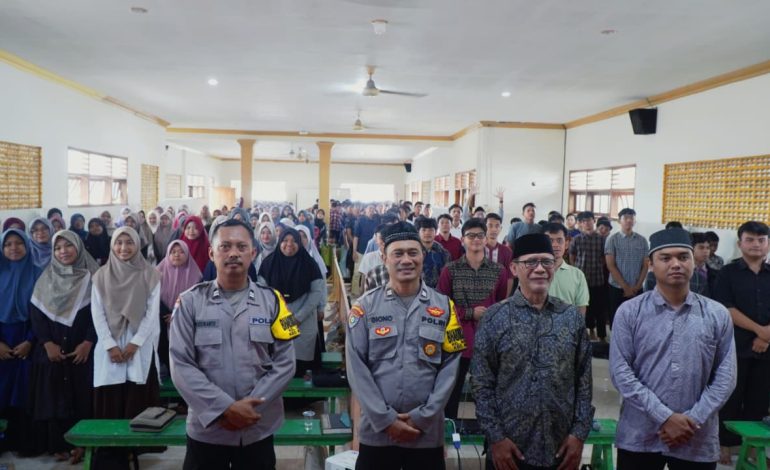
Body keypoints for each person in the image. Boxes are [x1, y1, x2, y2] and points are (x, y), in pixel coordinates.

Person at [170, 219, 299, 470]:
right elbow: (180, 364)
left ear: (253, 252)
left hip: (257, 426)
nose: (233, 253)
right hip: (208, 429)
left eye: (241, 247)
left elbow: (285, 363)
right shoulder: (188, 303)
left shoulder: (275, 301)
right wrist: (224, 409)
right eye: (225, 246)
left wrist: (249, 407)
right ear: (211, 253)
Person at [611, 228, 736, 469]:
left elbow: (726, 377)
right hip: (641, 435)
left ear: (693, 262)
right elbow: (620, 372)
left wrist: (692, 419)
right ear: (650, 264)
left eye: (683, 257)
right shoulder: (630, 312)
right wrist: (665, 417)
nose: (676, 264)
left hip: (696, 436)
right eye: (666, 258)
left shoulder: (716, 314)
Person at [345, 222, 465, 470]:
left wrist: (423, 417)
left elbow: (451, 368)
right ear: (384, 258)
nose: (406, 260)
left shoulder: (445, 307)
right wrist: (385, 420)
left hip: (426, 434)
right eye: (398, 253)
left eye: (413, 252)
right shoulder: (364, 308)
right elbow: (356, 368)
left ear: (423, 256)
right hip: (377, 433)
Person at [472, 233, 593, 470]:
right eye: (531, 262)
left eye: (546, 262)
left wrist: (578, 435)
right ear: (514, 268)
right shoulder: (495, 318)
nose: (540, 269)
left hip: (560, 448)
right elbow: (481, 384)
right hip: (509, 450)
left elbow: (584, 382)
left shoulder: (571, 318)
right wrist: (496, 438)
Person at [90, 227, 161, 467]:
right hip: (109, 346)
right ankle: (111, 454)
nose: (123, 248)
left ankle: (133, 451)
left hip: (138, 345)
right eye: (118, 242)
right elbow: (97, 313)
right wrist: (110, 345)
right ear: (112, 245)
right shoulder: (100, 276)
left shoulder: (150, 274)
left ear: (137, 244)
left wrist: (135, 343)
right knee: (111, 400)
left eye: (129, 242)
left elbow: (151, 314)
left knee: (135, 399)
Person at [28, 230, 99, 464]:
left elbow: (100, 314)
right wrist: (47, 343)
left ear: (79, 247)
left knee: (82, 396)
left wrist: (88, 342)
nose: (63, 251)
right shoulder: (45, 278)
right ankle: (58, 444)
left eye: (68, 246)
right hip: (53, 350)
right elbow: (36, 314)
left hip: (82, 351)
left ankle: (82, 444)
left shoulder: (94, 278)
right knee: (54, 396)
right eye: (58, 248)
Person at [438, 219, 508, 419]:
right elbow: (441, 305)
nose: (476, 239)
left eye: (480, 235)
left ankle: (489, 431)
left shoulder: (498, 271)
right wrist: (470, 313)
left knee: (487, 392)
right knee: (451, 391)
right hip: (456, 340)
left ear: (486, 239)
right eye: (471, 235)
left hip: (487, 341)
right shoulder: (450, 270)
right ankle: (449, 429)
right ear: (463, 240)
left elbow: (500, 303)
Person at [715, 221, 770, 464]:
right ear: (740, 243)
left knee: (759, 399)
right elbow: (725, 307)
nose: (756, 244)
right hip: (735, 346)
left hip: (767, 349)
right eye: (750, 239)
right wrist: (760, 331)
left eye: (761, 240)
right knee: (731, 396)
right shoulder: (727, 273)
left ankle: (752, 445)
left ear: (768, 244)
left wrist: (766, 336)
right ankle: (724, 444)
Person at [259, 228, 325, 375]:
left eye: (294, 241)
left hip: (303, 321)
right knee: (278, 363)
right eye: (285, 240)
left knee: (300, 366)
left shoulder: (309, 264)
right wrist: (279, 317)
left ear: (299, 243)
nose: (289, 244)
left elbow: (316, 292)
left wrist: (297, 318)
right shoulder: (269, 263)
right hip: (276, 320)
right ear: (279, 242)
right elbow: (262, 292)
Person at [0, 229, 43, 455]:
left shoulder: (38, 273)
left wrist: (30, 341)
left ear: (27, 246)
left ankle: (25, 441)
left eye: (19, 243)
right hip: (3, 340)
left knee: (25, 392)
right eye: (8, 244)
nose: (13, 248)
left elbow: (43, 313)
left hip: (29, 340)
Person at [156, 240, 202, 380]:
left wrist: (176, 315)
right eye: (173, 252)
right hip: (162, 319)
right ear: (168, 254)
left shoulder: (196, 275)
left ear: (187, 254)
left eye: (181, 252)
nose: (177, 255)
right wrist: (166, 314)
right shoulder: (157, 274)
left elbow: (197, 301)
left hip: (186, 319)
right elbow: (152, 299)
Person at [605, 208, 649, 326]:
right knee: (617, 319)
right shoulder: (612, 240)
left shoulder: (642, 240)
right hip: (617, 287)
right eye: (625, 218)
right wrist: (625, 287)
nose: (629, 220)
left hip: (636, 288)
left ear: (635, 221)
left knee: (636, 320)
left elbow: (645, 265)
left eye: (631, 218)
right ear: (619, 221)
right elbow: (610, 265)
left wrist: (638, 286)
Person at [570, 211, 609, 341]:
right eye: (583, 221)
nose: (587, 223)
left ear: (594, 221)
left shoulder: (601, 239)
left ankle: (602, 335)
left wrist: (598, 265)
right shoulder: (577, 239)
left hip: (598, 279)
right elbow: (572, 256)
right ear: (580, 223)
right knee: (586, 307)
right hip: (582, 280)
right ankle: (590, 330)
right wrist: (576, 271)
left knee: (600, 308)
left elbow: (604, 257)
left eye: (589, 220)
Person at [544, 223, 590, 314]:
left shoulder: (578, 275)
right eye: (550, 241)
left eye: (559, 241)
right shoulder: (531, 273)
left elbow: (581, 307)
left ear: (566, 244)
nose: (555, 245)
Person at [414, 217, 450, 288]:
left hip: (438, 291)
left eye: (431, 230)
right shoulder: (412, 252)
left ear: (436, 232)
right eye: (424, 230)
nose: (427, 233)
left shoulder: (444, 253)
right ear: (418, 232)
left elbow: (446, 276)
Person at [485, 212, 514, 296]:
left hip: (500, 295)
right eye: (490, 225)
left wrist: (506, 298)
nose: (494, 229)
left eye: (497, 226)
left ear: (500, 228)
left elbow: (510, 277)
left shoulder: (507, 251)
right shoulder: (478, 249)